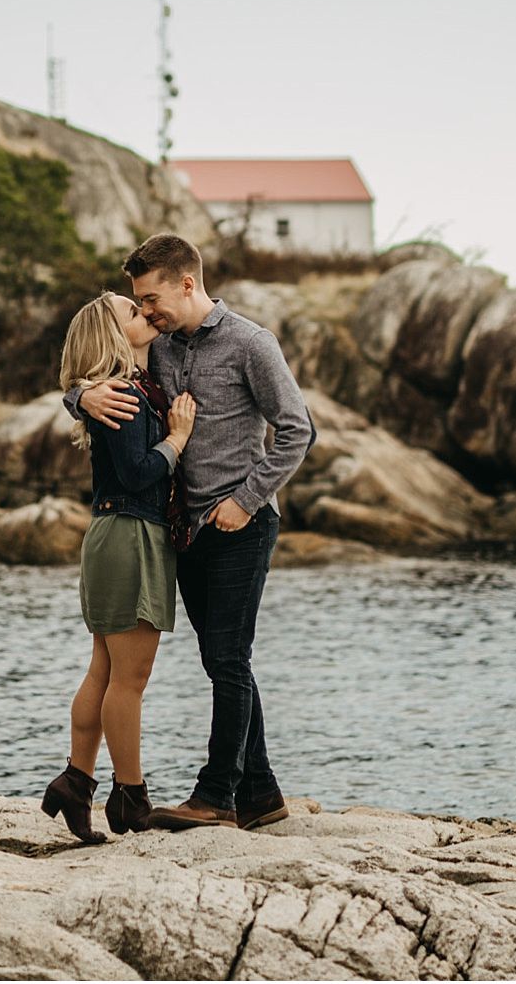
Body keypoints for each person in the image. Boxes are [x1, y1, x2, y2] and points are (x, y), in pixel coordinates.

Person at [65, 234, 315, 832]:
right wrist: (79, 397)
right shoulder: (161, 345)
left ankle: (217, 796)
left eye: (152, 298)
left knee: (228, 660)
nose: (147, 311)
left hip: (239, 526)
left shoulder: (252, 344)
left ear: (186, 282)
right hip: (183, 532)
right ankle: (261, 794)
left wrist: (247, 501)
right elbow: (102, 362)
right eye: (139, 303)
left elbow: (297, 430)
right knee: (221, 661)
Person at [42, 291, 198, 843]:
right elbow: (136, 472)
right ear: (114, 335)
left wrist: (76, 393)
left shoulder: (116, 389)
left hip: (112, 534)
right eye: (132, 311)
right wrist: (177, 439)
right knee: (128, 681)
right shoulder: (126, 394)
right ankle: (131, 797)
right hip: (132, 534)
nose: (143, 312)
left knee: (103, 672)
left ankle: (75, 782)